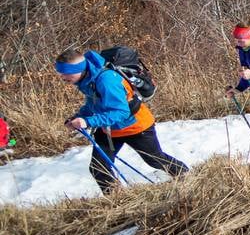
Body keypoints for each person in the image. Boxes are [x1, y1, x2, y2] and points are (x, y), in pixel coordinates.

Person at [56, 50, 187, 194]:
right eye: (60, 73)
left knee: (155, 159)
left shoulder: (106, 80)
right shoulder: (87, 79)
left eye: (66, 73)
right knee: (98, 168)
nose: (62, 77)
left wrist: (88, 121)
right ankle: (116, 199)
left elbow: (121, 112)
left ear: (79, 69)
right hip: (109, 129)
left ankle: (186, 177)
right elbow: (93, 103)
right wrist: (78, 117)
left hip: (135, 126)